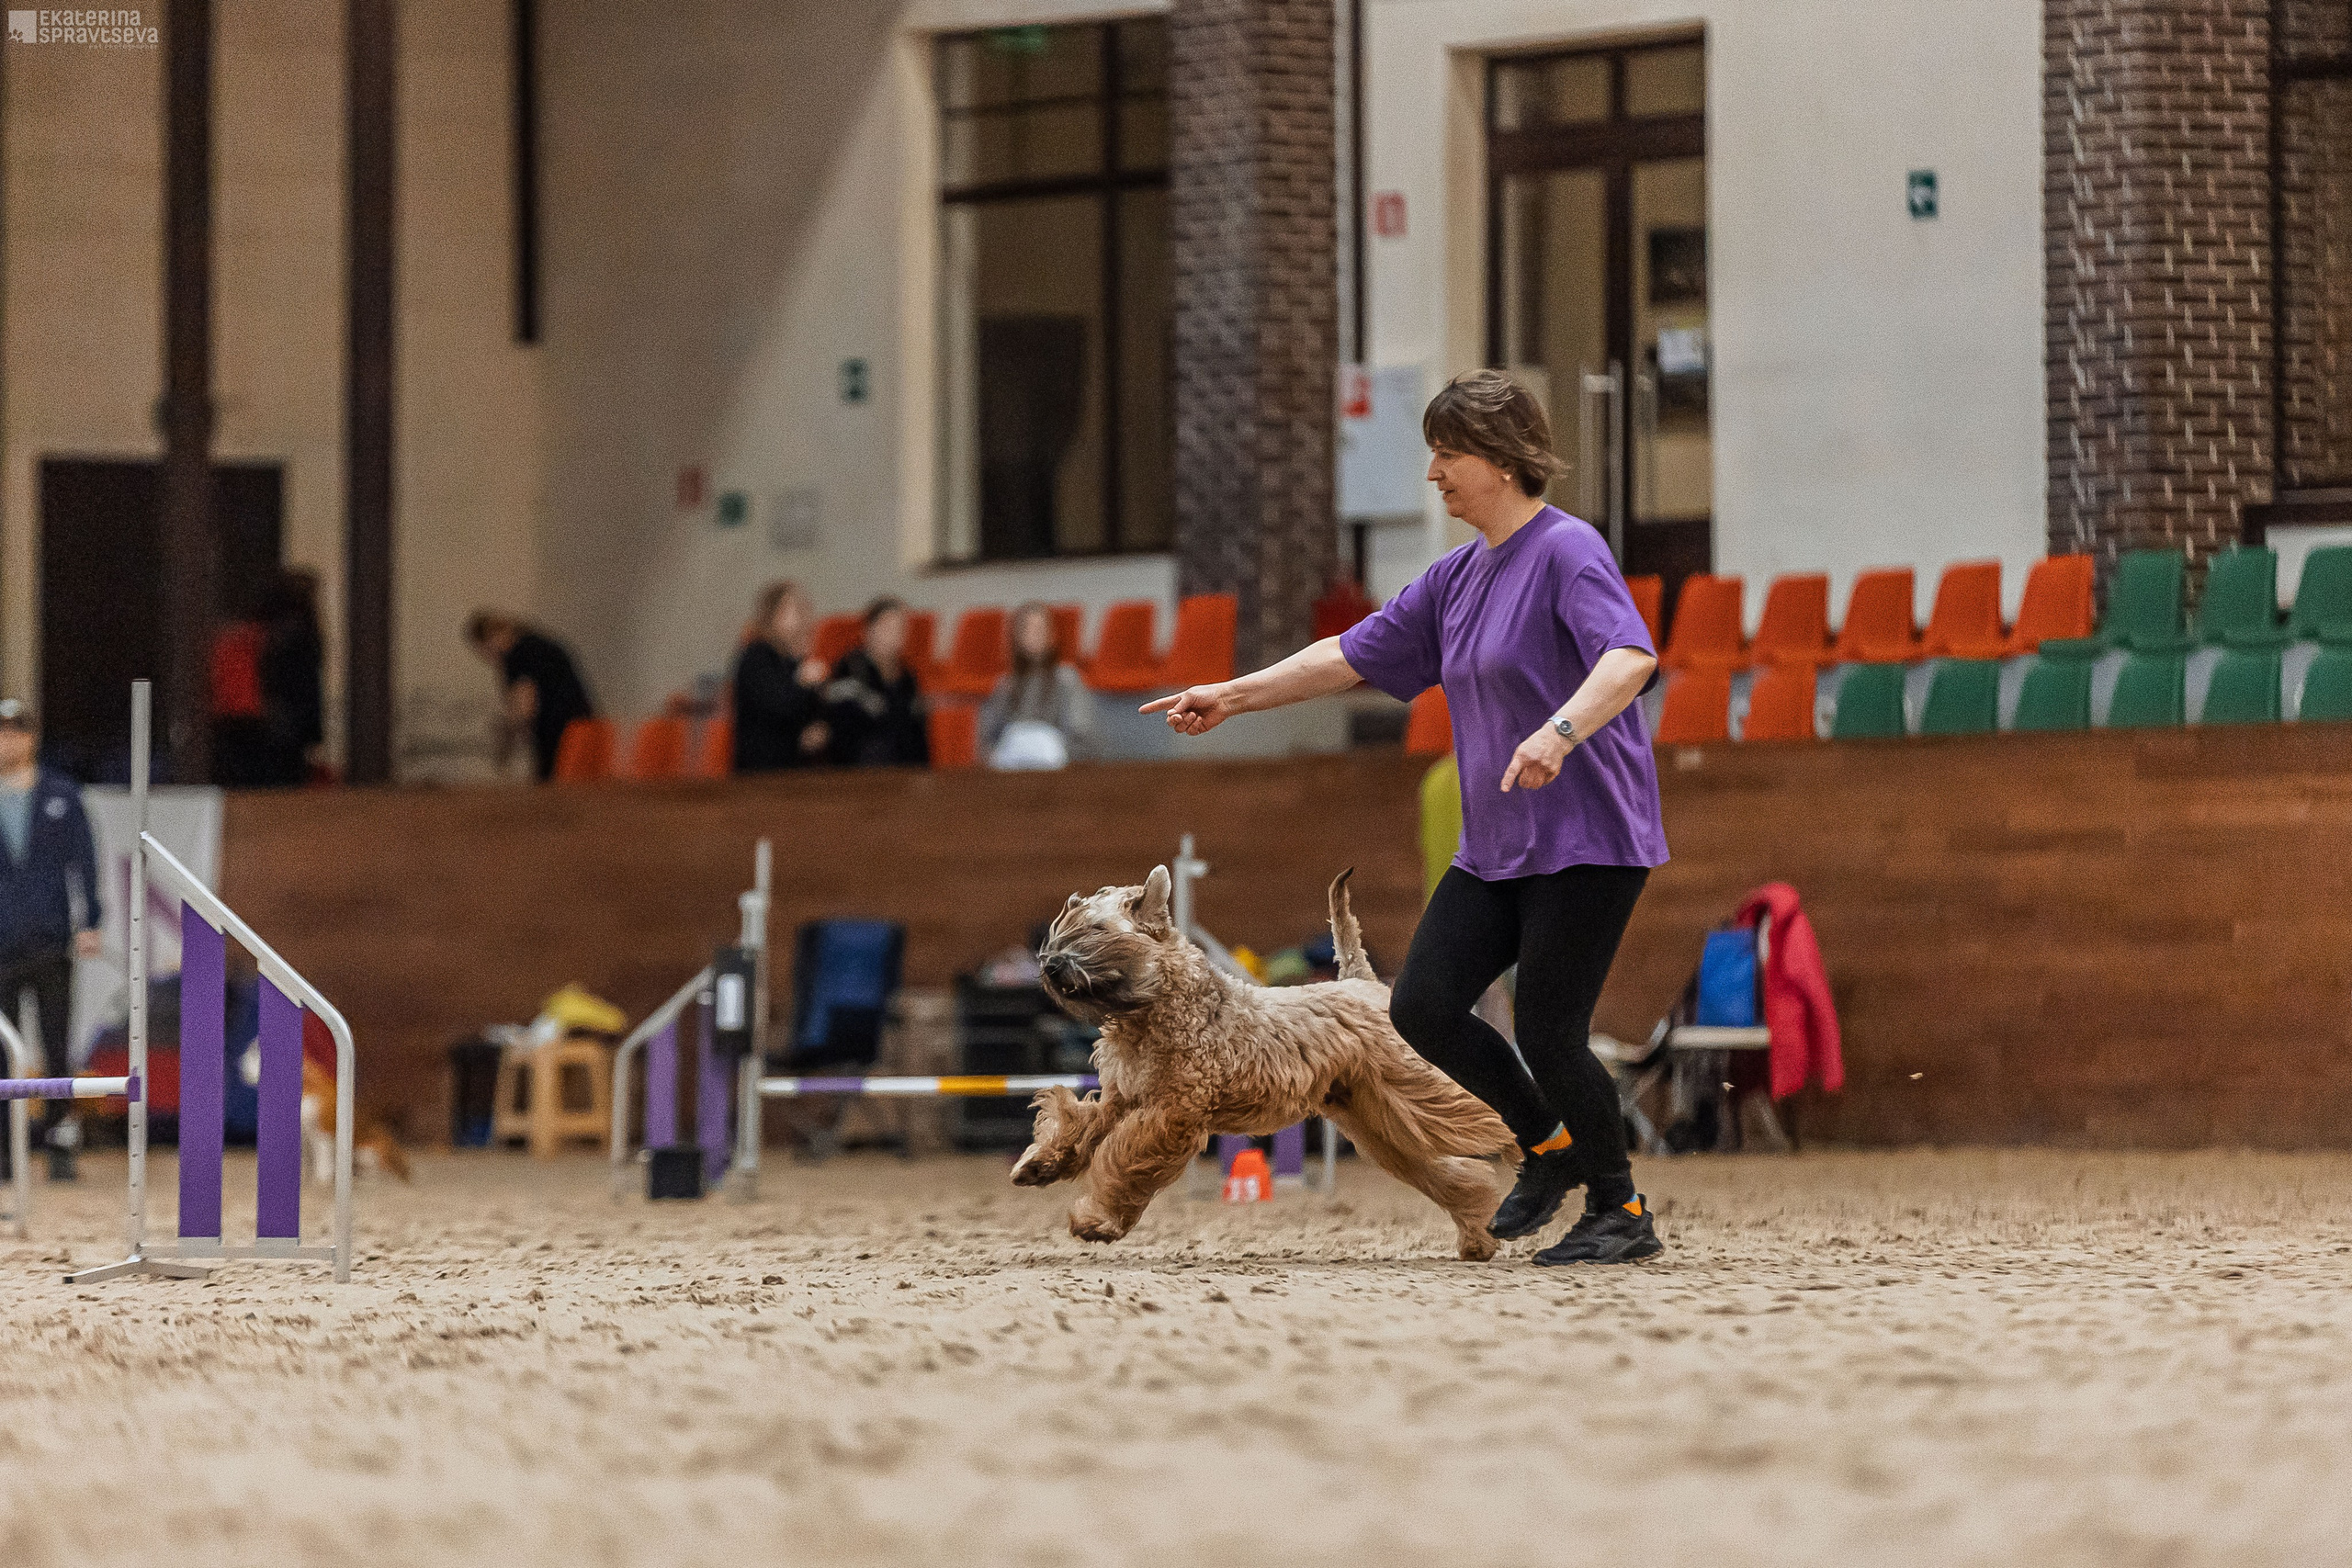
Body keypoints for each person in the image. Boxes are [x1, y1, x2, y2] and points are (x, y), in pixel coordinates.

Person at [1144, 368, 1668, 1266]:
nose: (1433, 473)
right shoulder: (1456, 579)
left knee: (1548, 1027)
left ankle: (1620, 1208)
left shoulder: (1566, 551)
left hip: (1589, 835)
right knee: (1422, 1005)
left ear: (1501, 459)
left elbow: (1629, 658)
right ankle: (1545, 1150)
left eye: (1447, 452)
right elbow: (1347, 657)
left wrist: (1559, 732)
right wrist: (1233, 694)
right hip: (1501, 844)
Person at [0, 698, 103, 1180]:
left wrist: (91, 919)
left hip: (50, 938)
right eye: (3, 732)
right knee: (3, 1048)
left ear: (32, 737)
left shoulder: (61, 794)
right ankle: (4, 1150)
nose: (10, 741)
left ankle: (62, 1141)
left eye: (18, 731)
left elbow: (85, 859)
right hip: (2, 942)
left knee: (57, 1044)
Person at [466, 611, 595, 782]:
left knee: (549, 796)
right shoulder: (537, 644)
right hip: (584, 731)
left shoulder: (519, 653)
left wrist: (505, 744)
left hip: (562, 737)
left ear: (490, 639)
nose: (486, 658)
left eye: (483, 650)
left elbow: (524, 704)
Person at [978, 602, 1096, 770]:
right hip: (1011, 778)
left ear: (1052, 635)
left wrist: (1056, 753)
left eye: (1040, 629)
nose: (1034, 635)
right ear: (1017, 636)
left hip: (1058, 776)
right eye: (1027, 630)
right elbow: (988, 740)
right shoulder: (1006, 684)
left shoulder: (1067, 679)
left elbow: (1082, 735)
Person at [731, 581, 833, 772]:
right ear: (774, 615)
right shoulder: (756, 657)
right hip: (761, 773)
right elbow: (776, 705)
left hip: (793, 768)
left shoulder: (792, 661)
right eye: (793, 608)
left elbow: (811, 712)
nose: (801, 617)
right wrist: (803, 682)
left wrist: (817, 728)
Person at [825, 597, 929, 767]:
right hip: (859, 774)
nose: (894, 635)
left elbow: (918, 737)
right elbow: (844, 733)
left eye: (900, 629)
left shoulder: (908, 677)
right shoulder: (849, 669)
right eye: (887, 628)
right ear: (869, 630)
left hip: (904, 774)